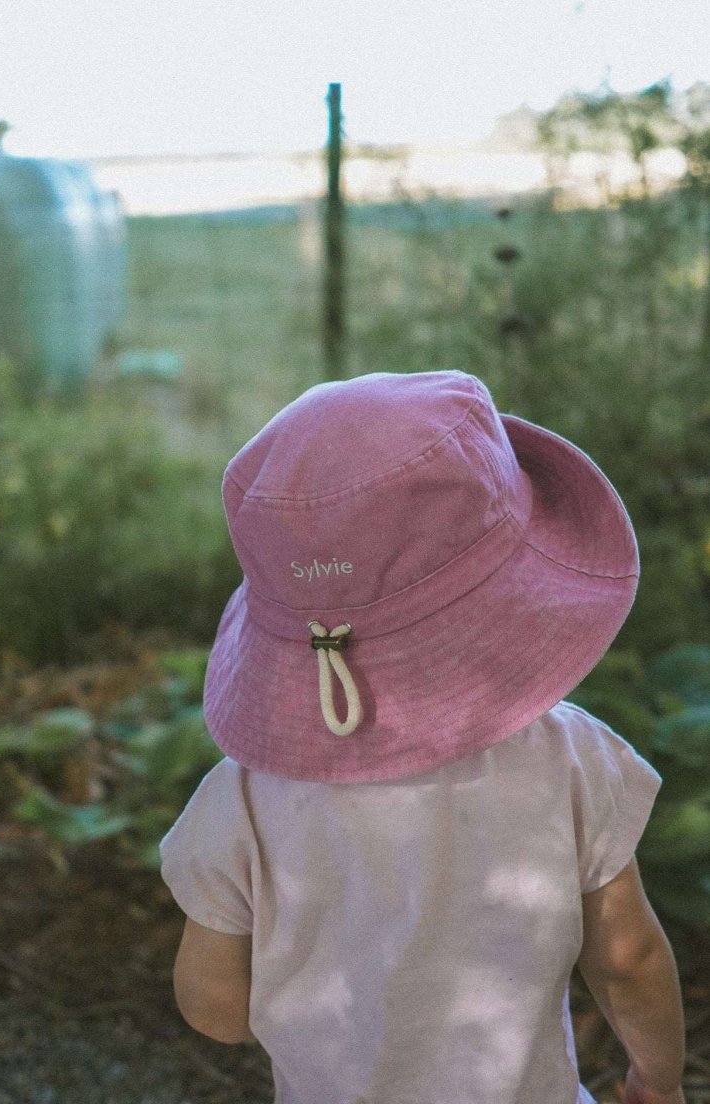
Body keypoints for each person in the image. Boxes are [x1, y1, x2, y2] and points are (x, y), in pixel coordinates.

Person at [160, 370, 685, 1104]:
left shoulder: (241, 798)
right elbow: (627, 958)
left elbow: (215, 1010)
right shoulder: (572, 759)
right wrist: (657, 1081)